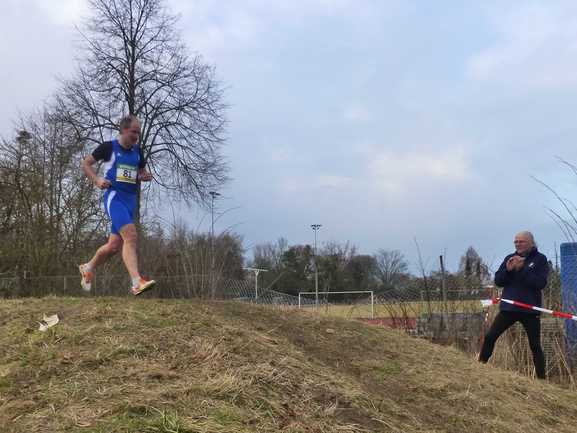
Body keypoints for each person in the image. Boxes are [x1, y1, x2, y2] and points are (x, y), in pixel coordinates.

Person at [78, 115, 156, 296]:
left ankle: (88, 267)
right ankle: (136, 282)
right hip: (114, 198)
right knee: (131, 236)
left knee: (113, 246)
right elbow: (86, 164)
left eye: (138, 133)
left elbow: (140, 172)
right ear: (123, 130)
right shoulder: (108, 148)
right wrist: (97, 180)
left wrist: (144, 176)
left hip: (130, 201)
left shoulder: (138, 152)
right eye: (133, 132)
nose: (136, 136)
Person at [479, 231, 548, 379]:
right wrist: (508, 270)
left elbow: (540, 283)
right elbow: (498, 281)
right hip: (509, 309)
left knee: (535, 345)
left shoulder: (540, 259)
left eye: (521, 241)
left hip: (530, 311)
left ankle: (542, 381)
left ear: (531, 243)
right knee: (490, 336)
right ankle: (479, 367)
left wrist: (522, 269)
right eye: (516, 242)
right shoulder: (509, 258)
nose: (518, 244)